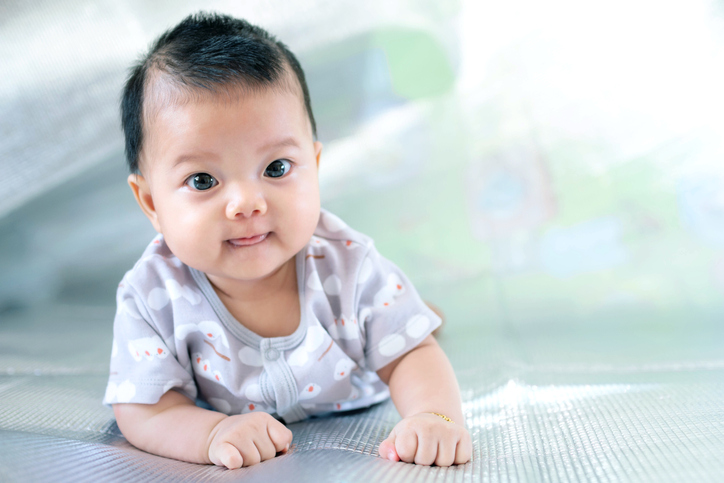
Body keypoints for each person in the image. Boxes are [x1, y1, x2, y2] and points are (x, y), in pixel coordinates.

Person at [105, 12, 472, 469]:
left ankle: (415, 313)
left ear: (314, 167)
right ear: (151, 203)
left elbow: (410, 355)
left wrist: (432, 416)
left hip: (358, 382)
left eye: (276, 168)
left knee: (409, 331)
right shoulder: (152, 294)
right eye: (202, 180)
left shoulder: (348, 264)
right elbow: (143, 407)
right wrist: (212, 432)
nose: (246, 203)